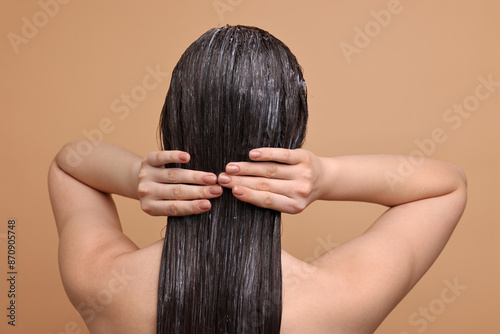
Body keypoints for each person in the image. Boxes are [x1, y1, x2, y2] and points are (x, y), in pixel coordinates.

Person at [48, 25, 467, 334]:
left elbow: (70, 163)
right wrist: (327, 178)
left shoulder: (104, 283)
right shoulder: (339, 299)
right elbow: (447, 185)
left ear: (173, 121)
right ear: (292, 135)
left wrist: (133, 175)